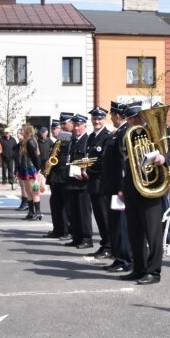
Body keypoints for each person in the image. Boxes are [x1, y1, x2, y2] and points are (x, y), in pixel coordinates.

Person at [119, 102, 170, 285]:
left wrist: (163, 158)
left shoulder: (155, 132)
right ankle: (138, 269)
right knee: (134, 233)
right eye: (130, 118)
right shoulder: (127, 135)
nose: (133, 121)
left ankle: (154, 272)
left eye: (136, 117)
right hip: (132, 189)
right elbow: (125, 165)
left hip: (150, 191)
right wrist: (123, 188)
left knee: (153, 234)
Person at [100, 102, 133, 273]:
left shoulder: (125, 132)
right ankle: (119, 256)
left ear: (118, 116)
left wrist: (122, 187)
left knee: (120, 224)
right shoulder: (119, 132)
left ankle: (125, 259)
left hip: (118, 188)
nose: (110, 118)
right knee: (114, 224)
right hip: (112, 187)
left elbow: (123, 163)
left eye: (112, 115)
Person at [85, 106, 112, 259]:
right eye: (94, 118)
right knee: (99, 216)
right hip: (92, 182)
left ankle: (109, 246)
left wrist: (88, 170)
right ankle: (104, 244)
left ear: (104, 119)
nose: (97, 121)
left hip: (101, 182)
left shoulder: (107, 136)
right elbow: (89, 159)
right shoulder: (91, 137)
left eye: (100, 118)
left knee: (104, 215)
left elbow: (103, 161)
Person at [63, 113, 93, 250]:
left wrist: (84, 171)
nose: (76, 128)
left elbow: (90, 158)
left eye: (79, 125)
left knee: (83, 212)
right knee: (73, 211)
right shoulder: (73, 141)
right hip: (71, 181)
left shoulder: (87, 140)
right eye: (75, 125)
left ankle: (87, 238)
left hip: (82, 182)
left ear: (84, 126)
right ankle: (77, 237)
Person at [43, 112, 74, 240]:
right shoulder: (62, 137)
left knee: (65, 206)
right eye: (61, 124)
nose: (62, 127)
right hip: (55, 176)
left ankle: (66, 230)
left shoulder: (69, 137)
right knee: (55, 204)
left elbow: (64, 157)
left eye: (64, 124)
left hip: (63, 176)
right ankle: (58, 229)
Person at [16, 125, 43, 220]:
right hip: (25, 168)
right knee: (28, 191)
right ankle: (31, 212)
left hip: (30, 169)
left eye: (22, 130)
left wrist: (38, 169)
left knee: (33, 191)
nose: (21, 131)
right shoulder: (25, 141)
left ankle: (38, 212)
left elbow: (35, 156)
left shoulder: (30, 141)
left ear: (27, 131)